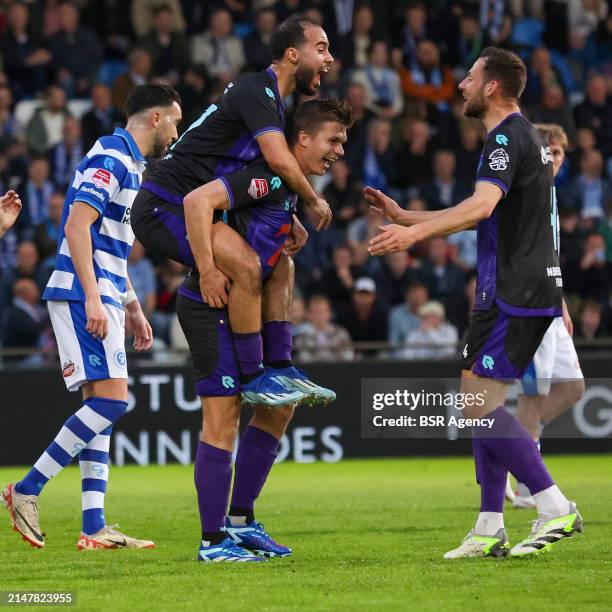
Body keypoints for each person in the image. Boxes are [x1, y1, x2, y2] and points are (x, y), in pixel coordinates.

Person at [367, 47, 582, 559]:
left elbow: (482, 205)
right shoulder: (520, 137)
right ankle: (489, 526)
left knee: (477, 406)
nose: (460, 84)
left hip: (513, 289)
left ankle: (554, 505)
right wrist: (407, 218)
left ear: (491, 86)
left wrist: (412, 237)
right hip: (518, 287)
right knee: (476, 404)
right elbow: (481, 214)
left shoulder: (505, 138)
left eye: (469, 77)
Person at [2, 84, 182, 551]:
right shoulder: (112, 155)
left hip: (100, 291)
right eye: (176, 121)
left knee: (100, 408)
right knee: (113, 403)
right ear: (156, 119)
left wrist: (134, 307)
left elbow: (110, 246)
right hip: (85, 294)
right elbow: (76, 225)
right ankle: (25, 489)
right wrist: (94, 298)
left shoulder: (133, 164)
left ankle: (94, 526)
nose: (177, 131)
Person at [173, 98, 351, 562]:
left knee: (279, 411)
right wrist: (208, 268)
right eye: (333, 140)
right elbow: (200, 202)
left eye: (344, 143)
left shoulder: (287, 188)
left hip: (243, 310)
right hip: (211, 306)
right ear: (303, 138)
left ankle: (240, 523)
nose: (339, 151)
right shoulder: (267, 174)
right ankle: (212, 543)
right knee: (221, 423)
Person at [132, 14, 334, 407]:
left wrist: (288, 214)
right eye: (321, 48)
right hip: (164, 205)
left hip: (201, 206)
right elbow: (276, 160)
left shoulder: (273, 102)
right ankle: (255, 377)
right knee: (246, 266)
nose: (329, 58)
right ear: (293, 54)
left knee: (278, 264)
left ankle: (280, 366)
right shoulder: (258, 89)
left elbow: (248, 173)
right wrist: (311, 199)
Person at [513, 124, 585, 509]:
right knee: (534, 395)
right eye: (547, 151)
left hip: (552, 305)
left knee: (573, 388)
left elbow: (549, 257)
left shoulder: (551, 193)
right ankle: (528, 486)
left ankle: (516, 444)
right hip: (530, 305)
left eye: (557, 153)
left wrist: (564, 304)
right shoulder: (526, 190)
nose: (551, 158)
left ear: (564, 158)